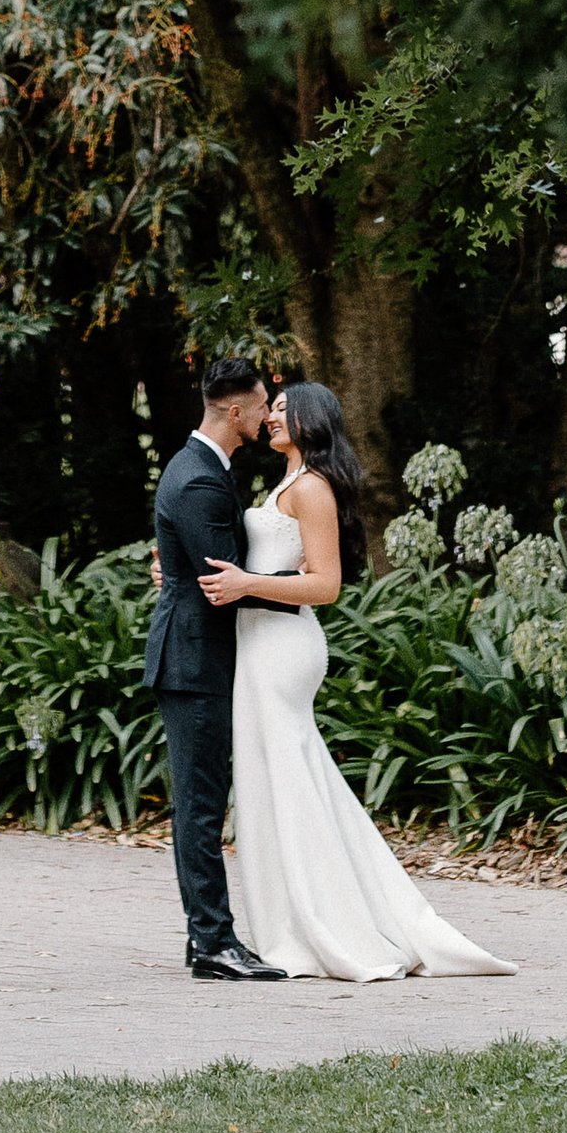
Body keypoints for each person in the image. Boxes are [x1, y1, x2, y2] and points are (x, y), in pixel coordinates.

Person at [198, 377, 514, 982]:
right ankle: (294, 923)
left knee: (288, 781)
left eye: (285, 411)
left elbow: (326, 585)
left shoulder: (312, 487)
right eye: (273, 410)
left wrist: (246, 585)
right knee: (277, 783)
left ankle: (327, 926)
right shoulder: (284, 483)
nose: (272, 418)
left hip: (284, 647)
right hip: (258, 641)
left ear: (314, 420)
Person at [143, 352, 286, 979]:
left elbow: (197, 565)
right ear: (235, 409)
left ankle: (208, 939)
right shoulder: (199, 477)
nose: (265, 417)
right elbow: (222, 578)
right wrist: (308, 583)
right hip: (194, 660)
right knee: (199, 805)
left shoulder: (200, 467)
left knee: (202, 800)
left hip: (199, 655)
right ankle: (212, 944)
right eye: (260, 407)